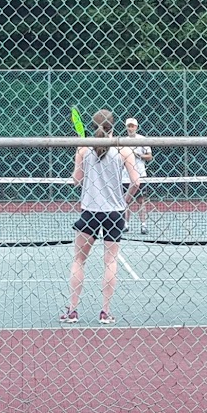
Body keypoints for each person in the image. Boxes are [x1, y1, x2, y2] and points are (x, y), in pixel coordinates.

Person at [62, 109, 143, 324]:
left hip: (90, 212)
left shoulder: (83, 149)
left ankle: (72, 311)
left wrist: (80, 158)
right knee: (110, 261)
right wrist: (124, 201)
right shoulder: (124, 150)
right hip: (114, 213)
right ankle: (105, 312)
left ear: (92, 125)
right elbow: (136, 182)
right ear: (113, 126)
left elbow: (76, 181)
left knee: (79, 260)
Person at [120, 115, 155, 234]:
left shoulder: (142, 139)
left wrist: (138, 155)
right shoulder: (123, 141)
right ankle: (125, 224)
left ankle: (143, 225)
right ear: (126, 127)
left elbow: (149, 156)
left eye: (133, 126)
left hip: (140, 175)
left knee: (141, 200)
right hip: (126, 176)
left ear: (136, 127)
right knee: (126, 200)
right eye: (129, 126)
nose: (131, 128)